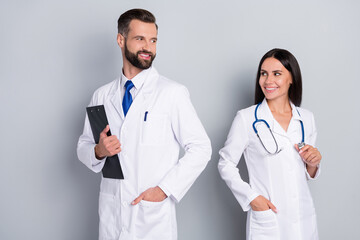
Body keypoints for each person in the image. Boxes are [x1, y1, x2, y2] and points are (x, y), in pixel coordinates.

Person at [77, 9, 211, 240]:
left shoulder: (172, 93)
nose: (148, 47)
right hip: (112, 216)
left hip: (151, 219)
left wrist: (164, 190)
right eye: (140, 39)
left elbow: (201, 148)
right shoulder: (101, 96)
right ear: (121, 40)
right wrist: (99, 151)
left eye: (153, 40)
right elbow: (83, 146)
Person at [218, 48, 322, 240]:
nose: (268, 80)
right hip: (269, 219)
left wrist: (313, 164)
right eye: (263, 73)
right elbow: (225, 163)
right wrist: (252, 198)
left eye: (277, 74)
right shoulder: (247, 118)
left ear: (292, 78)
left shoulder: (306, 118)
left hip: (303, 217)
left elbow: (304, 173)